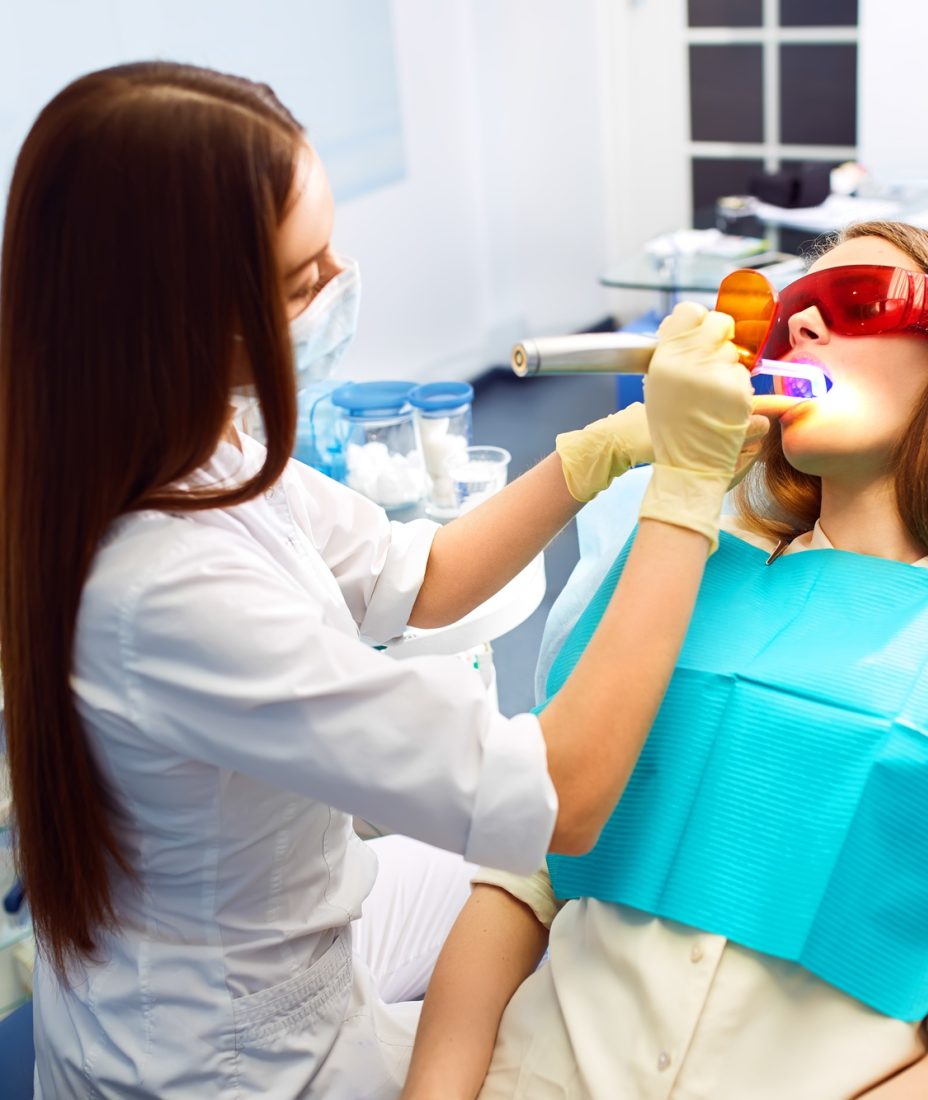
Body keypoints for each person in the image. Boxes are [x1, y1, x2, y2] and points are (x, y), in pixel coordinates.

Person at [0, 62, 770, 1098]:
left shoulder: (185, 443)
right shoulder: (162, 590)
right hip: (227, 1057)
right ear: (179, 317)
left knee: (552, 902)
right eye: (304, 275)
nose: (342, 283)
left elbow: (424, 574)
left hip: (288, 925)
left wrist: (594, 452)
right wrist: (682, 490)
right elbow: (566, 798)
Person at [403, 222, 928, 1100]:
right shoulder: (676, 564)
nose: (798, 327)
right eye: (791, 311)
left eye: (859, 301)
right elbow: (515, 889)